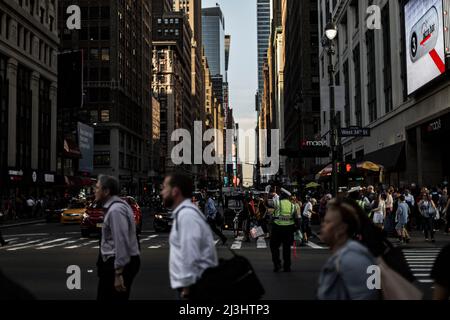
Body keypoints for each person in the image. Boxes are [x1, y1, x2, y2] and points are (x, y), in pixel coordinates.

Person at [162, 173, 218, 299]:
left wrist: (186, 290)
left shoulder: (187, 215)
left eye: (165, 188)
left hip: (195, 287)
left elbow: (190, 253)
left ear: (175, 191)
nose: (162, 192)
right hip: (194, 285)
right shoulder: (185, 213)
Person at [317, 199, 380, 300]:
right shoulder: (345, 255)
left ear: (342, 228)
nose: (323, 225)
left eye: (328, 222)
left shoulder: (352, 259)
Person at [95, 175, 140, 301]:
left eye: (97, 187)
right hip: (115, 262)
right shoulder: (116, 206)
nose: (94, 190)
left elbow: (121, 242)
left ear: (106, 191)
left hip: (118, 263)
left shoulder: (116, 210)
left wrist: (118, 273)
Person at [270, 188, 296, 272]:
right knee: (287, 248)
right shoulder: (293, 205)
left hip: (277, 227)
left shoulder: (278, 203)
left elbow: (269, 205)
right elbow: (296, 217)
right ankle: (287, 267)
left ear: (281, 196)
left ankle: (277, 264)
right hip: (289, 229)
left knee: (274, 247)